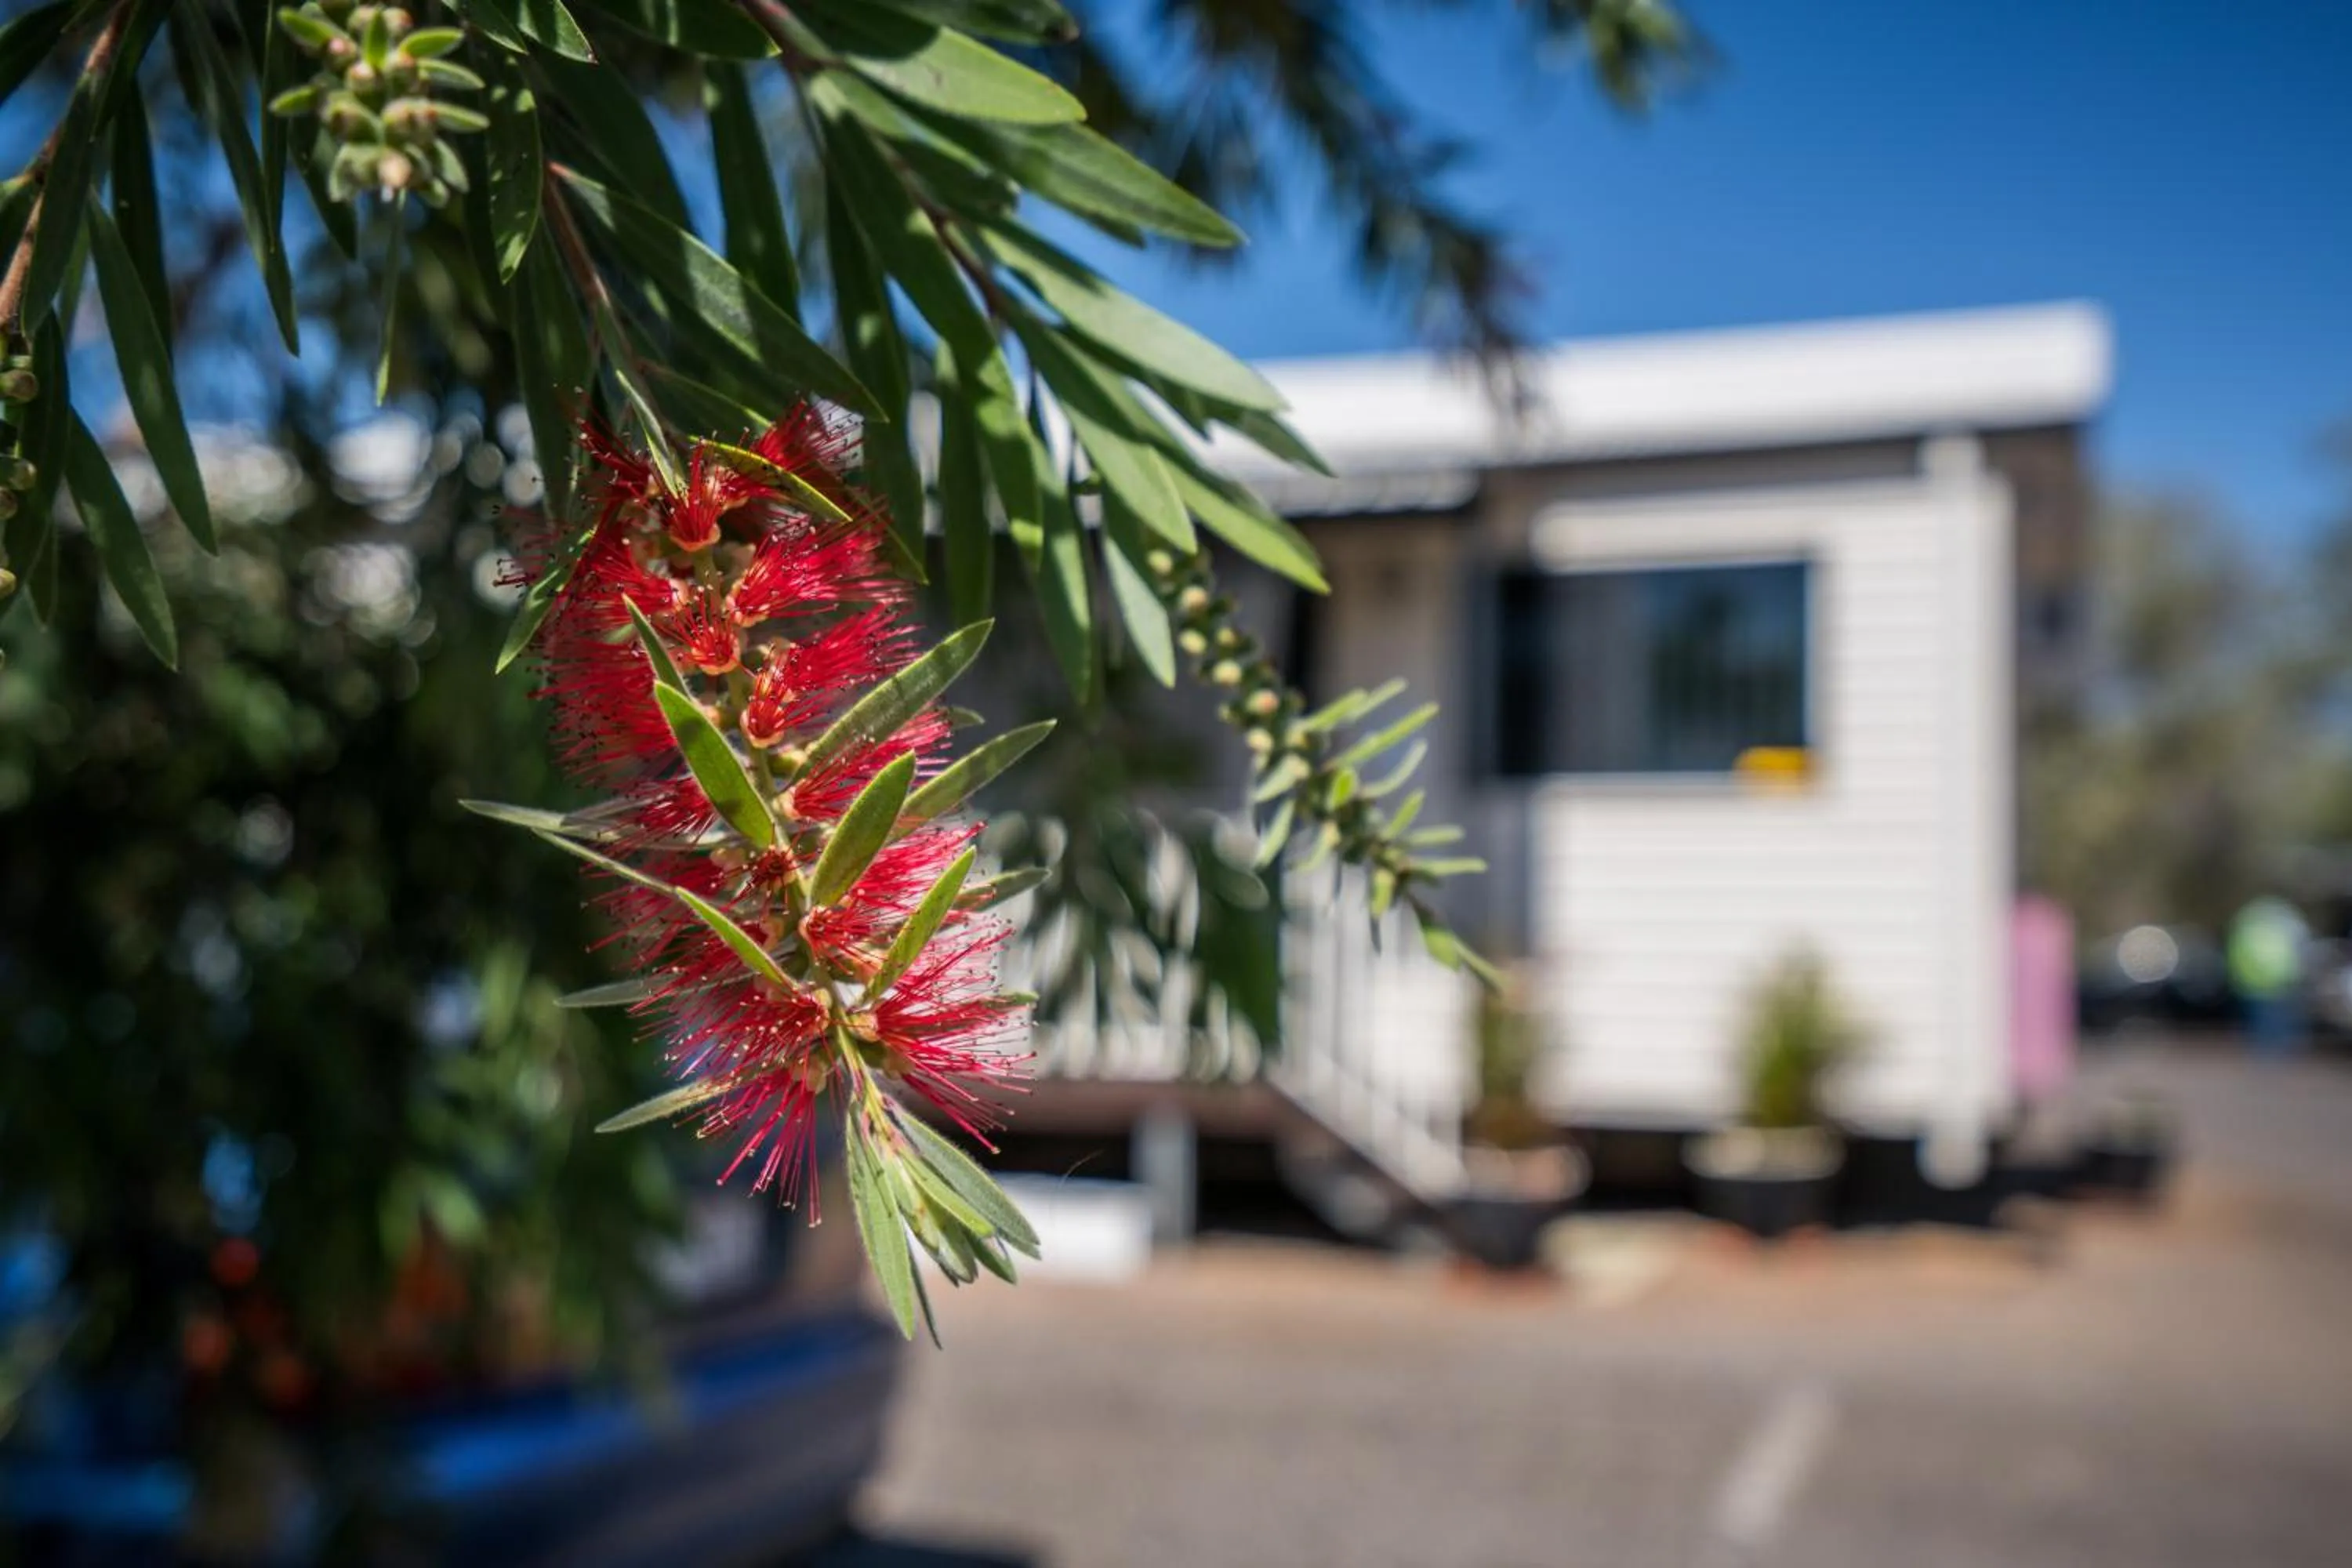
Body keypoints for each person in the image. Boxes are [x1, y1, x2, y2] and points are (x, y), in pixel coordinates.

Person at [2227, 895, 2310, 1058]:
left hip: (2257, 982)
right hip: (2276, 982)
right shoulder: (2285, 926)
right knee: (2276, 1020)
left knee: (2263, 1021)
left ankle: (2268, 1053)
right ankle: (2278, 1052)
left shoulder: (2247, 927)